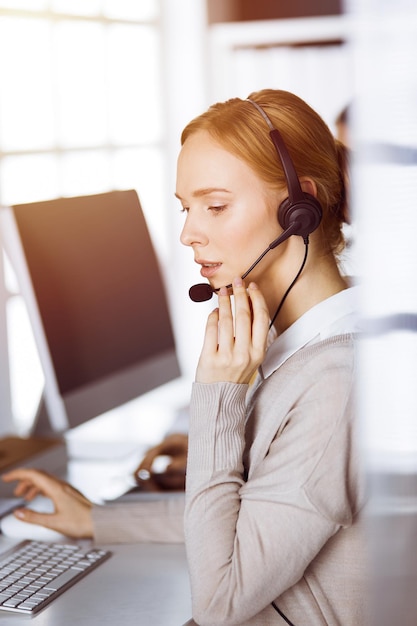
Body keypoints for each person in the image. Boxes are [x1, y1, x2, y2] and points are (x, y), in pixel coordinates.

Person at [3, 89, 367, 625]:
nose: (188, 234)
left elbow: (220, 603)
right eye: (186, 208)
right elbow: (252, 522)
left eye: (215, 206)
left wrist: (219, 397)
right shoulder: (307, 342)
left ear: (299, 208)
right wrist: (96, 521)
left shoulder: (339, 383)